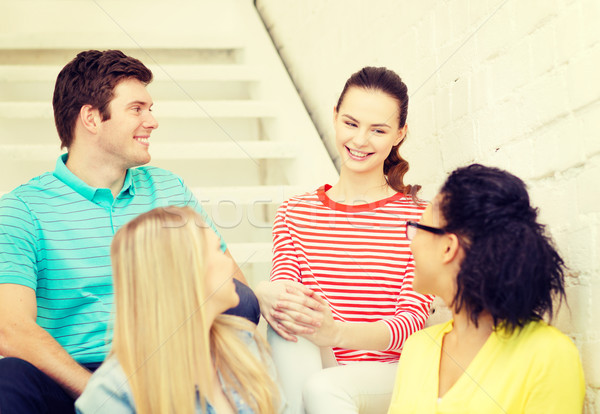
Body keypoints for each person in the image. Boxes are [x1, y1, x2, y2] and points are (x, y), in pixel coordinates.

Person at [0, 49, 259, 414]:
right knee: (9, 377)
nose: (152, 121)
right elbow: (11, 328)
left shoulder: (169, 189)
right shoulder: (22, 208)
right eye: (137, 109)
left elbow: (232, 285)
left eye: (150, 109)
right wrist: (101, 395)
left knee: (244, 302)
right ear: (91, 117)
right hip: (72, 377)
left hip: (167, 369)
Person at [255, 67, 434, 414]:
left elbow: (410, 322)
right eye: (351, 123)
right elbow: (288, 297)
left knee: (324, 386)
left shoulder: (422, 218)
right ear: (335, 118)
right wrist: (263, 292)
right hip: (317, 367)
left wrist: (335, 332)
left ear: (399, 135)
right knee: (285, 320)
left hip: (387, 376)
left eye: (378, 130)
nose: (360, 140)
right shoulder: (294, 213)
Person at [387, 164, 585, 413]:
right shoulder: (417, 348)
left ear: (448, 247)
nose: (411, 244)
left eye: (419, 228)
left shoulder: (548, 356)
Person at [75, 206, 286, 414]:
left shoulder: (246, 345)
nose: (229, 263)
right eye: (216, 250)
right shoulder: (111, 393)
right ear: (186, 271)